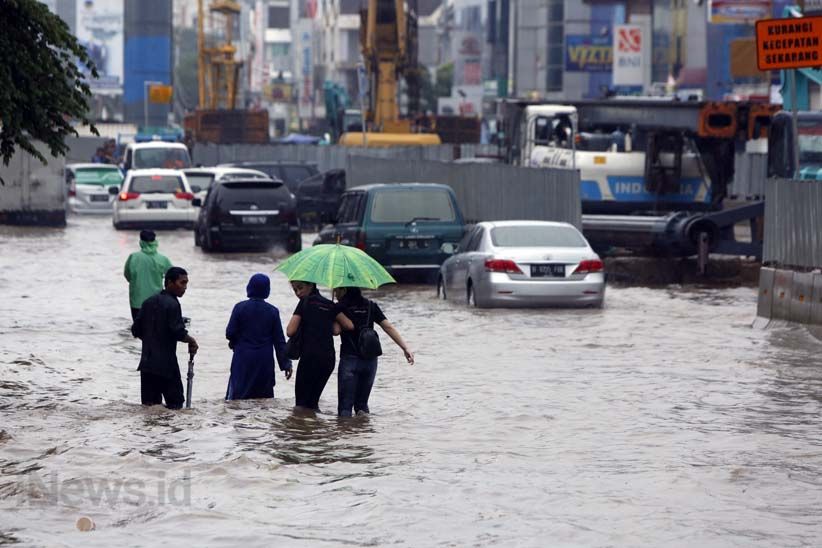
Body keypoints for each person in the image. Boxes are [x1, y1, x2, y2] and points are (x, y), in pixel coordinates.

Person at [333, 287, 414, 417]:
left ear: (343, 290)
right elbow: (388, 326)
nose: (335, 293)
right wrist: (405, 348)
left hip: (349, 360)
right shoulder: (370, 306)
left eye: (336, 290)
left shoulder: (339, 307)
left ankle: (346, 436)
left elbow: (336, 331)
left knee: (345, 408)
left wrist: (333, 313)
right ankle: (364, 434)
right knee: (362, 407)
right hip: (370, 361)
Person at [131, 267, 198, 409]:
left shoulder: (148, 302)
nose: (185, 288)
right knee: (176, 406)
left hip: (147, 365)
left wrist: (151, 339)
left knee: (150, 409)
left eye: (186, 283)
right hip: (166, 366)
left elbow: (135, 330)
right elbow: (178, 332)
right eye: (182, 283)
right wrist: (191, 340)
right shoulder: (173, 304)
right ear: (169, 282)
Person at [286, 281, 353, 411]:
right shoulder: (330, 305)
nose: (298, 293)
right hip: (328, 359)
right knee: (313, 403)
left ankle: (301, 430)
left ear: (311, 285)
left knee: (300, 405)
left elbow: (290, 331)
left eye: (300, 288)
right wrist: (332, 313)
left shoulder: (304, 303)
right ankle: (317, 428)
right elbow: (343, 328)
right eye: (295, 290)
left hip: (309, 357)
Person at [225, 274, 293, 400]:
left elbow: (230, 333)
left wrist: (234, 343)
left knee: (238, 398)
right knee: (263, 400)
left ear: (249, 288)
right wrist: (286, 364)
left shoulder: (239, 308)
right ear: (267, 291)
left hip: (242, 359)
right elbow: (279, 341)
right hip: (264, 361)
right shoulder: (273, 311)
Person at [124, 230, 173, 321]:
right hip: (157, 301)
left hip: (137, 301)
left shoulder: (133, 257)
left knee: (139, 330)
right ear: (155, 241)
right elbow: (173, 277)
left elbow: (127, 275)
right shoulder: (163, 259)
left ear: (141, 242)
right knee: (156, 330)